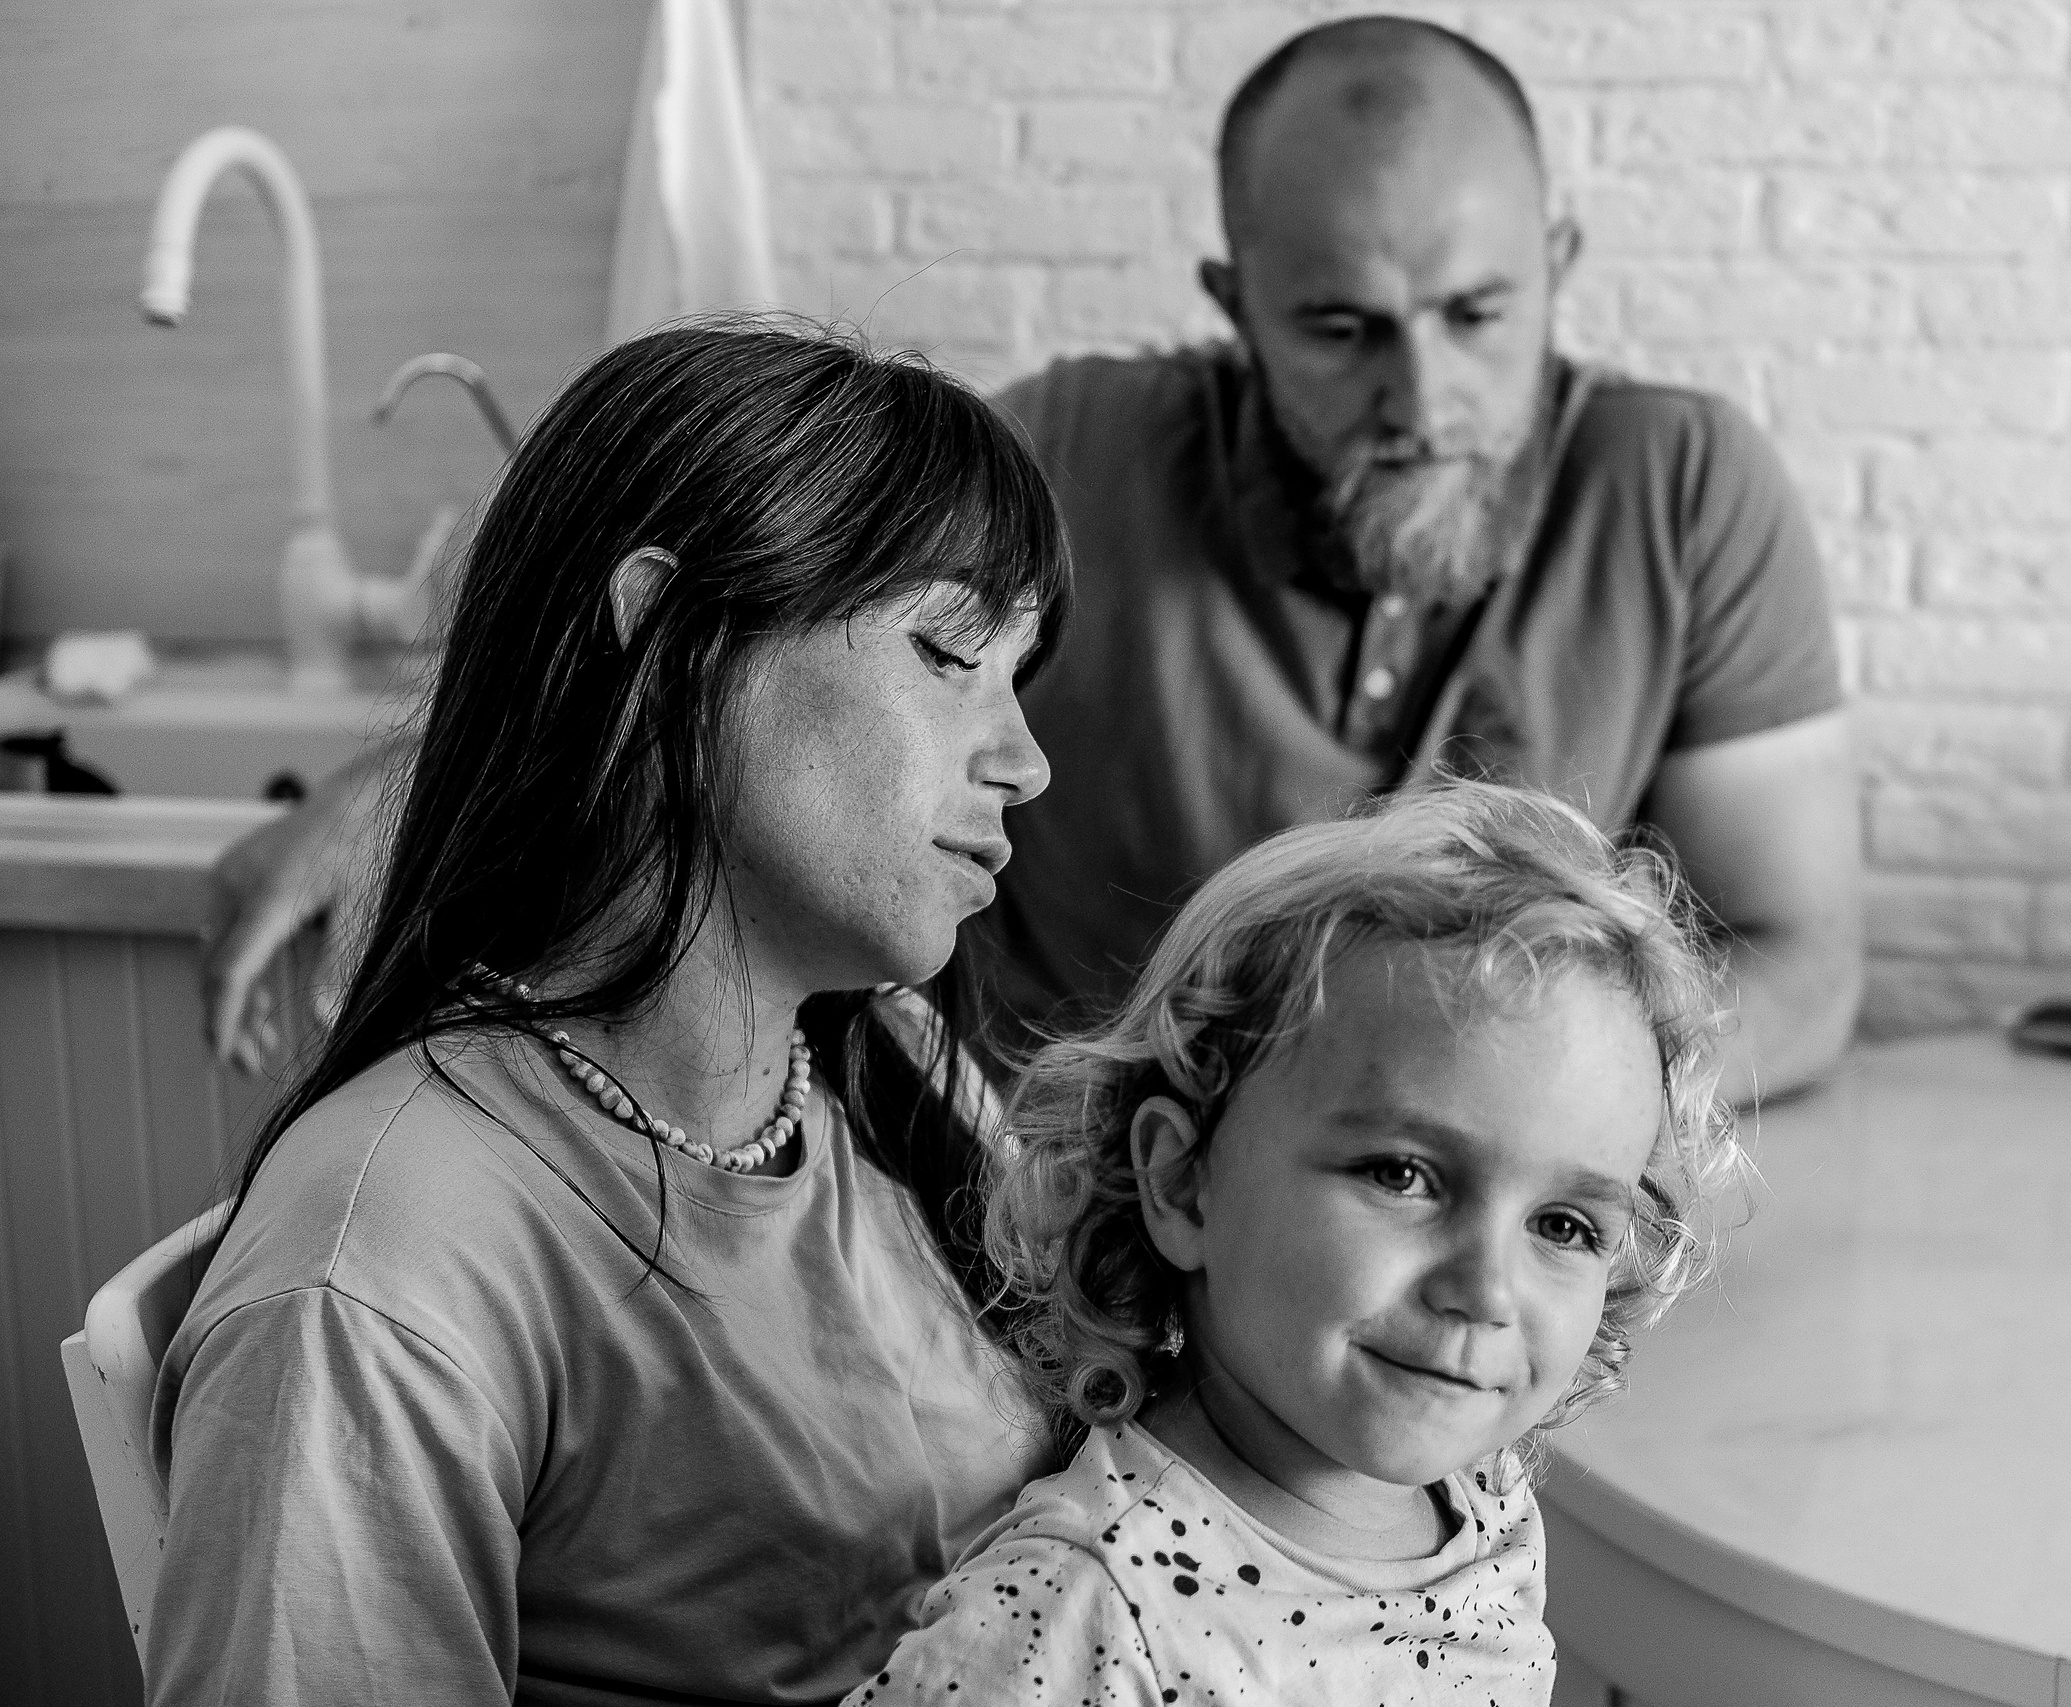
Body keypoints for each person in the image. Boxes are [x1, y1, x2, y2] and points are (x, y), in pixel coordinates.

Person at [203, 15, 1860, 1105]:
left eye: (1477, 316)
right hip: (1023, 1245)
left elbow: (1800, 962)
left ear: (1558, 263)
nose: (1420, 397)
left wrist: (1476, 1105)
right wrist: (407, 783)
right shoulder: (1077, 448)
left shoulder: (1688, 481)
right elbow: (726, 600)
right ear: (1233, 304)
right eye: (1342, 330)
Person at [150, 321, 1071, 1705]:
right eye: (949, 651)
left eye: (1019, 673)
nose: (1027, 760)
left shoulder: (885, 1060)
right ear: (663, 635)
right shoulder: (384, 1269)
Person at [849, 782, 1734, 1704]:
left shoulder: (1482, 1499)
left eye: (1563, 1226)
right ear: (1183, 1181)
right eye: (1401, 1174)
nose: (1487, 1289)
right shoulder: (1089, 1609)